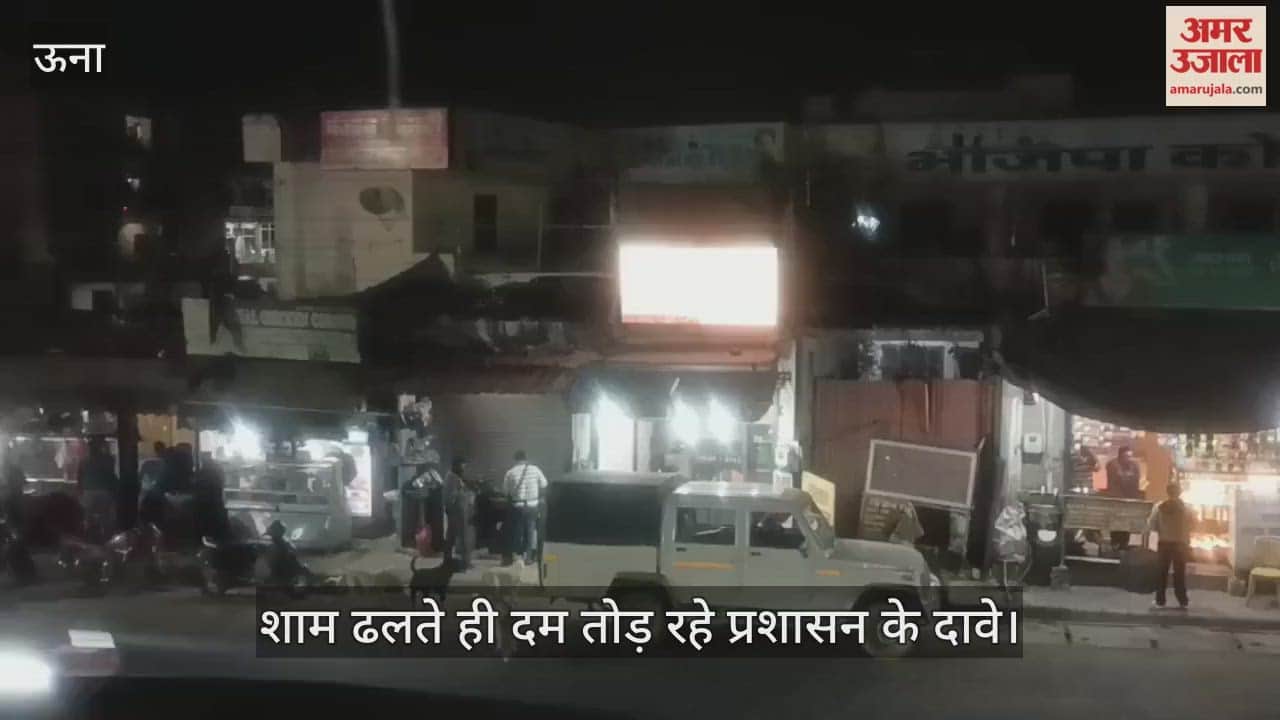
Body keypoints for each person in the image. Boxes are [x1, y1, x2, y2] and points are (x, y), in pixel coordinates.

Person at [1147, 482, 1194, 610]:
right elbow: (1192, 524)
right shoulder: (1187, 508)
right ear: (1180, 492)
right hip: (1180, 544)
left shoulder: (1158, 507)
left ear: (1167, 492)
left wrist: (1162, 531)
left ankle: (1160, 601)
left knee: (1162, 573)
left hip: (1164, 543)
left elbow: (1152, 525)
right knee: (1179, 573)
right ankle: (1182, 601)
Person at [503, 450, 547, 565]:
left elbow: (505, 491)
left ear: (515, 459)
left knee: (517, 531)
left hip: (518, 506)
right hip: (532, 505)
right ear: (526, 458)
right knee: (530, 531)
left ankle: (518, 557)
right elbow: (544, 484)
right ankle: (528, 557)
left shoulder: (510, 472)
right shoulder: (535, 469)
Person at [77, 437, 119, 541]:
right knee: (106, 518)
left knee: (87, 518)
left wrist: (80, 493)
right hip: (104, 492)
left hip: (88, 493)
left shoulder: (84, 461)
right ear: (101, 447)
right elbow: (111, 476)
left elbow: (79, 479)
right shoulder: (108, 459)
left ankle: (87, 537)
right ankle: (107, 538)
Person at [1106, 446, 1142, 553]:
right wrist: (1128, 478)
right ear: (1120, 456)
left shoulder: (1134, 465)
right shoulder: (1112, 465)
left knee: (1127, 523)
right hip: (1116, 499)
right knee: (1116, 523)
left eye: (1130, 456)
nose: (1129, 459)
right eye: (1126, 456)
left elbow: (1136, 481)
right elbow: (1118, 479)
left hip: (1129, 499)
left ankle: (1124, 544)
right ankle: (1115, 543)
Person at [443, 457, 475, 570]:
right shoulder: (453, 478)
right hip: (458, 511)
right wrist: (464, 492)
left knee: (451, 536)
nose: (464, 469)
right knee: (463, 536)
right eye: (463, 466)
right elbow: (452, 496)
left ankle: (447, 560)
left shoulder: (452, 476)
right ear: (456, 466)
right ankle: (466, 562)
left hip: (455, 510)